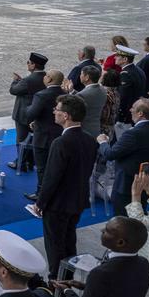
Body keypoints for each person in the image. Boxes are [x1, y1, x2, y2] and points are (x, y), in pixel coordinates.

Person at [35, 95, 98, 278]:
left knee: (55, 244)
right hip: (78, 199)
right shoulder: (89, 139)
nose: (54, 112)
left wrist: (40, 202)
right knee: (70, 240)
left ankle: (56, 282)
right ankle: (68, 278)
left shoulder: (61, 143)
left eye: (58, 110)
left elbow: (51, 177)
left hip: (58, 204)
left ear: (66, 116)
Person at [97, 98, 149, 217]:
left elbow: (110, 154)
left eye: (133, 107)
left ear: (140, 113)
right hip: (148, 182)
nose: (130, 109)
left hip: (127, 185)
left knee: (123, 221)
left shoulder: (133, 134)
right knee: (140, 214)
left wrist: (102, 142)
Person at [24, 69, 64, 201]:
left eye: (46, 76)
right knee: (56, 166)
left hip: (43, 137)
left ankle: (41, 193)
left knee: (42, 167)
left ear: (50, 79)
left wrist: (27, 107)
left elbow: (31, 113)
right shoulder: (65, 93)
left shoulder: (41, 95)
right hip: (59, 134)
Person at [8, 52, 47, 171]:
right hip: (37, 114)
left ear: (33, 65)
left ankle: (21, 163)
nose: (27, 64)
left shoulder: (28, 79)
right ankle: (30, 162)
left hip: (23, 115)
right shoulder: (46, 77)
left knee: (21, 139)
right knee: (31, 139)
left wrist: (15, 81)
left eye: (28, 62)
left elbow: (14, 90)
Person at [62, 65, 105, 137]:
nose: (80, 76)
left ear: (87, 77)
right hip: (96, 128)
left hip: (84, 130)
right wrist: (72, 91)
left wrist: (67, 93)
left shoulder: (83, 95)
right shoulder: (102, 90)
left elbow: (72, 109)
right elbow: (87, 98)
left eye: (81, 74)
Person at [117, 45, 147, 126]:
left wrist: (120, 115)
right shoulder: (138, 69)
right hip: (136, 109)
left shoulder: (125, 74)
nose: (115, 58)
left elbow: (123, 96)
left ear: (125, 59)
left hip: (127, 114)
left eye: (118, 56)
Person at [99, 69, 122, 137]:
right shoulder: (116, 92)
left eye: (102, 75)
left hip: (102, 129)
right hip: (110, 127)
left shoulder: (103, 93)